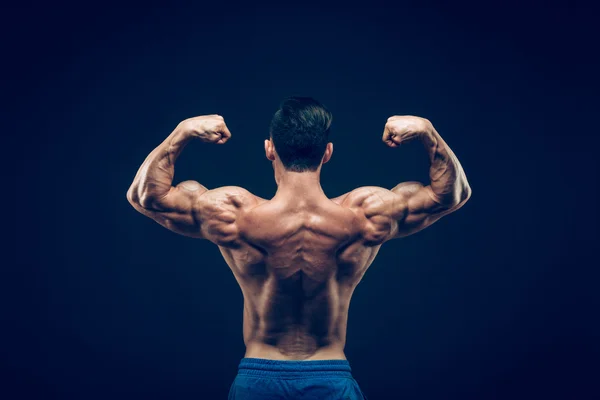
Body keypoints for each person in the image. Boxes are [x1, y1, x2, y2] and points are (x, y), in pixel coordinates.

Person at [126, 97, 472, 399]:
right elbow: (452, 194)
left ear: (269, 149)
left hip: (258, 380)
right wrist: (427, 132)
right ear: (328, 152)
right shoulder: (368, 214)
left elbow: (145, 196)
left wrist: (182, 132)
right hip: (330, 377)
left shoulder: (232, 215)